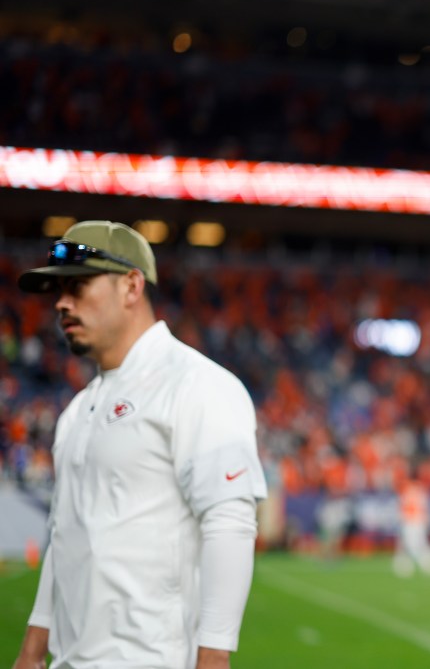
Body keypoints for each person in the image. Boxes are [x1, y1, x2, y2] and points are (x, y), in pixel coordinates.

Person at [13, 221, 267, 669]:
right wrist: (33, 650)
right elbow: (63, 535)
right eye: (58, 289)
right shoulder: (77, 411)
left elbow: (229, 521)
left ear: (131, 285)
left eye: (78, 285)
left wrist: (213, 655)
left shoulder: (199, 385)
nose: (61, 303)